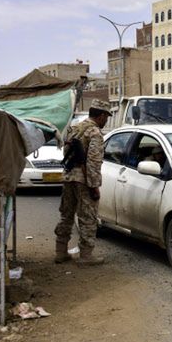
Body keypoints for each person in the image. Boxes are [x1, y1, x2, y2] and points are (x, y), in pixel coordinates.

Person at [54, 99, 111, 265]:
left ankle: (60, 252)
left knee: (66, 214)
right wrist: (94, 186)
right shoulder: (94, 133)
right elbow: (93, 161)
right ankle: (86, 256)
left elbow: (66, 152)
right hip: (84, 180)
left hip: (69, 176)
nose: (106, 120)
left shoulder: (75, 128)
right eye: (106, 116)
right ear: (100, 115)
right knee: (88, 217)